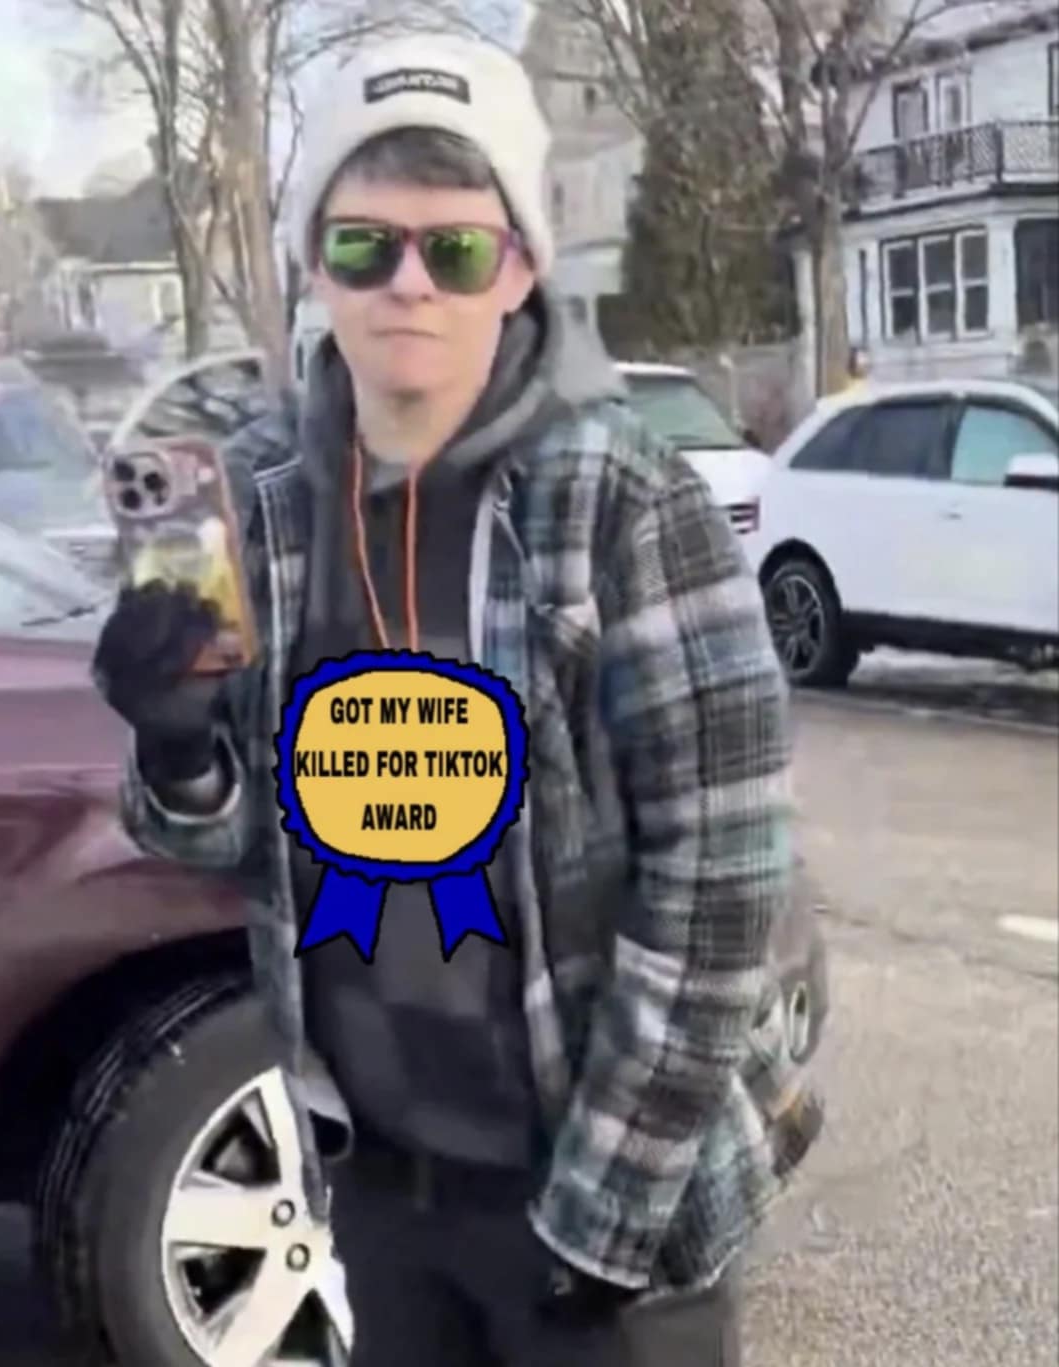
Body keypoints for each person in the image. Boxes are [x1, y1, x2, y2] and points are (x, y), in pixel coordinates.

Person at [91, 32, 820, 1367]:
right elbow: (248, 849)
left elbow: (721, 888)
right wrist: (177, 742)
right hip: (378, 1187)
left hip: (602, 1213)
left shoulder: (626, 505)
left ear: (522, 266)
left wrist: (599, 1226)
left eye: (458, 249)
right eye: (365, 246)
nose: (410, 284)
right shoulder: (259, 505)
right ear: (316, 265)